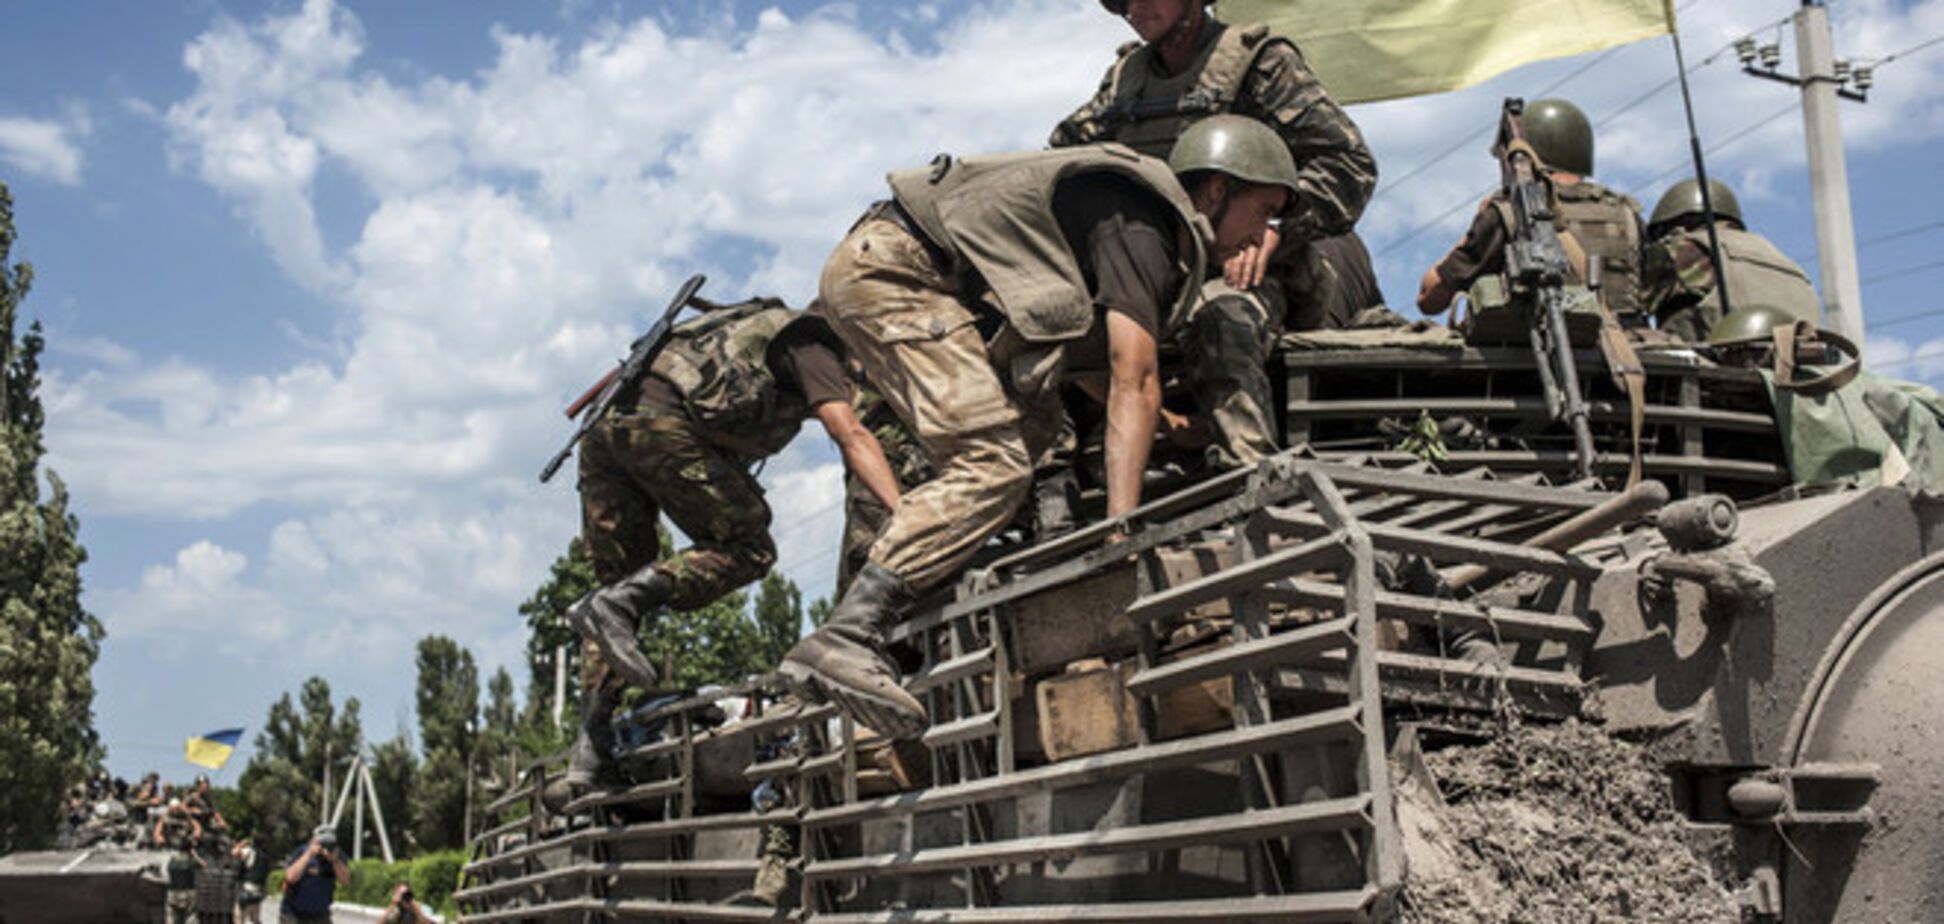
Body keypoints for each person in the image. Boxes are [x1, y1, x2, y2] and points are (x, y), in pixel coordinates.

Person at [779, 115, 1300, 740]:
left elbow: (1087, 374)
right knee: (993, 464)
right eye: (1263, 209)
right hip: (896, 273)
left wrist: (1173, 429)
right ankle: (852, 632)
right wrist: (1119, 539)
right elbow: (1132, 373)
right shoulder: (1145, 223)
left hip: (893, 270)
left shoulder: (1128, 223)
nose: (1262, 233)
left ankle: (901, 602)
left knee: (1032, 431)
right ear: (1215, 190)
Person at [561, 297, 902, 798]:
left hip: (604, 428)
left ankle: (590, 755)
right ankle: (619, 603)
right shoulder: (814, 347)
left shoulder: (750, 331)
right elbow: (849, 432)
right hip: (656, 425)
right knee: (747, 546)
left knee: (615, 601)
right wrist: (904, 511)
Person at [1052, 0, 1375, 468]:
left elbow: (1349, 164)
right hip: (1153, 272)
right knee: (1046, 324)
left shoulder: (1259, 64)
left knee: (1222, 321)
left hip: (1250, 266)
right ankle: (1056, 484)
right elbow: (1062, 159)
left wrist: (1278, 229)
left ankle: (1250, 476)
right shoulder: (1125, 81)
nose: (1134, 7)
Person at [1417, 98, 1646, 325]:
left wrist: (1476, 229)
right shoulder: (1627, 216)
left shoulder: (1508, 213)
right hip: (1630, 356)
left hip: (1536, 358)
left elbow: (1430, 299)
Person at [1642, 177, 1819, 342]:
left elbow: (1625, 298)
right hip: (1807, 373)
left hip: (1715, 371)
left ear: (1674, 225)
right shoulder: (1788, 264)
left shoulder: (1690, 249)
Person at [280, 826, 348, 924]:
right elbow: (290, 877)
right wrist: (309, 855)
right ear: (312, 841)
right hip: (294, 914)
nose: (325, 846)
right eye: (322, 843)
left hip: (320, 914)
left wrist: (335, 861)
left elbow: (345, 881)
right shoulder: (302, 852)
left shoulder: (337, 856)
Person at [233, 837, 270, 923]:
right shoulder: (265, 857)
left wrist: (240, 844)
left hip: (247, 889)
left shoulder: (249, 852)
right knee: (255, 919)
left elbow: (234, 852)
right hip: (259, 890)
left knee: (238, 917)